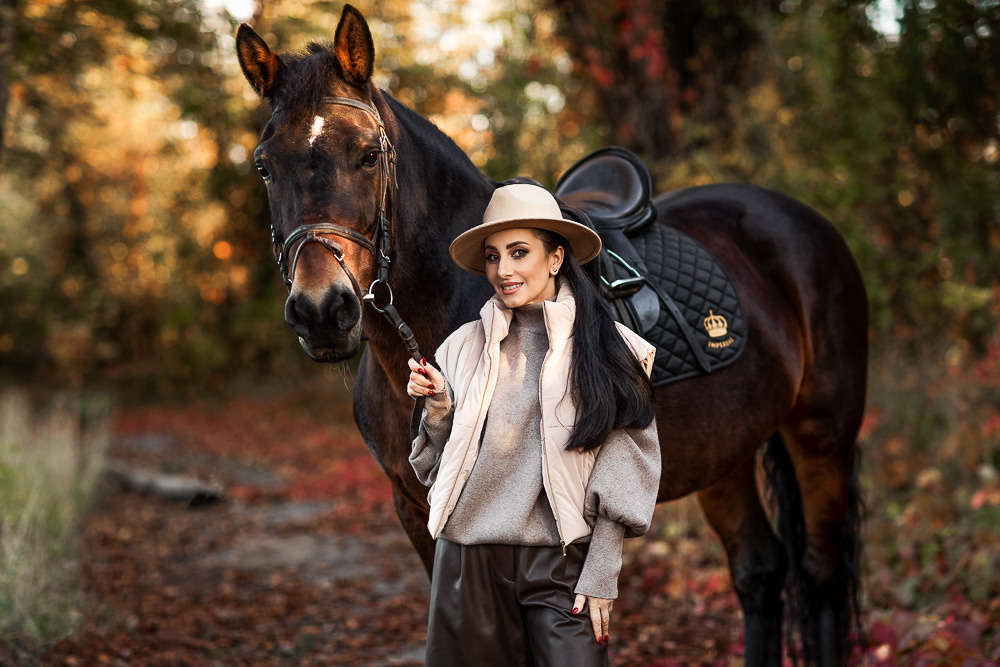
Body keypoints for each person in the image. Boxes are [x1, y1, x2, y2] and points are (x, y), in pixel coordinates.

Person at [406, 183, 661, 666]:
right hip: (468, 560)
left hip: (562, 564)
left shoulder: (612, 348)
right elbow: (434, 471)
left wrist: (602, 572)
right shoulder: (459, 348)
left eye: (519, 252)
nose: (503, 270)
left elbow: (627, 467)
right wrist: (438, 407)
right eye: (493, 256)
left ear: (556, 258)